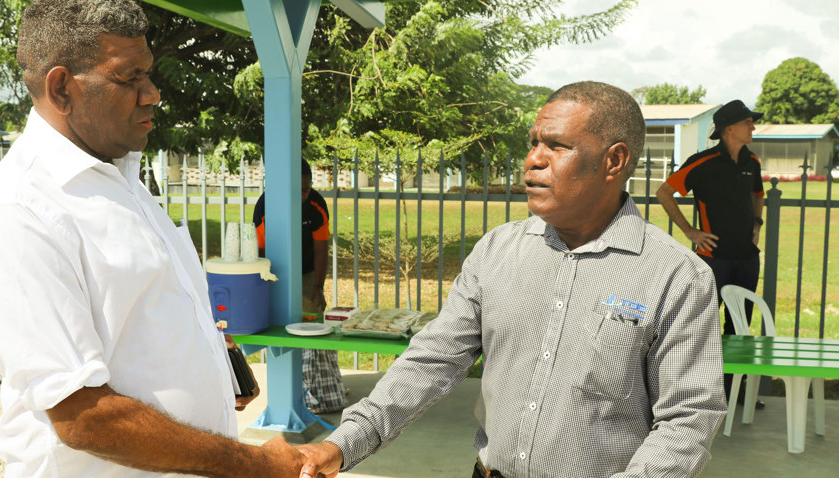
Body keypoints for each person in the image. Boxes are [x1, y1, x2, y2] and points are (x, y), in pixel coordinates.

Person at [297, 81, 727, 478]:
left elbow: (688, 417)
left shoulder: (676, 276)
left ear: (613, 160)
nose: (533, 159)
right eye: (534, 142)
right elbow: (433, 359)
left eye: (557, 145)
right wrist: (343, 443)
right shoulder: (497, 251)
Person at [0, 1, 305, 476]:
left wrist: (209, 356)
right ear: (61, 88)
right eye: (128, 78)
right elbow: (84, 418)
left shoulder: (120, 176)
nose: (152, 94)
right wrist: (255, 465)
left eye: (149, 74)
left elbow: (136, 308)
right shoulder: (21, 209)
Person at [656, 99, 764, 403]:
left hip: (747, 259)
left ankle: (732, 392)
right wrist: (690, 231)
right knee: (703, 326)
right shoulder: (702, 162)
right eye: (748, 122)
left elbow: (758, 195)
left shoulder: (752, 162)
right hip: (713, 259)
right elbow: (664, 192)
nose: (753, 127)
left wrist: (757, 223)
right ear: (729, 129)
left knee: (739, 326)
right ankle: (696, 392)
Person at [254, 160, 346, 414]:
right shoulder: (265, 206)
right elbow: (260, 251)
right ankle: (289, 390)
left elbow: (321, 249)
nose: (303, 196)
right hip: (275, 271)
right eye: (297, 191)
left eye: (306, 190)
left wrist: (318, 286)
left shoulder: (316, 205)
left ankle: (319, 391)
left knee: (313, 329)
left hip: (307, 272)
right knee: (280, 330)